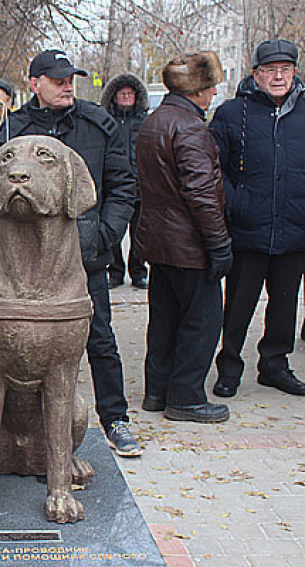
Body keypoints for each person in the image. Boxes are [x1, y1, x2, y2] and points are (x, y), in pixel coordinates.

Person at [14, 50, 141, 457]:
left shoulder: (97, 123)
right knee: (23, 342)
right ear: (35, 84)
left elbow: (123, 185)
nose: (68, 85)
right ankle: (23, 426)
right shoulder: (12, 129)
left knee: (100, 338)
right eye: (57, 79)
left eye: (71, 78)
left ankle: (115, 419)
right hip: (28, 260)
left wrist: (107, 234)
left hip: (86, 255)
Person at [135, 51, 231, 424]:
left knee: (164, 318)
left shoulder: (155, 121)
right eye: (211, 87)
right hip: (189, 245)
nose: (214, 93)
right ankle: (187, 398)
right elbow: (201, 193)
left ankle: (157, 392)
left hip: (159, 242)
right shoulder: (190, 127)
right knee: (202, 320)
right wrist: (219, 243)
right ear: (200, 90)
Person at [210, 39, 305, 398]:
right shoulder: (233, 113)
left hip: (295, 230)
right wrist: (238, 203)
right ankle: (229, 367)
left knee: (285, 305)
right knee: (237, 306)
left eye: (285, 69)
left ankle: (275, 366)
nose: (278, 77)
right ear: (256, 74)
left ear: (294, 72)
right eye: (270, 70)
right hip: (248, 231)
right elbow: (214, 167)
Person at [101, 73, 150, 289]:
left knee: (140, 233)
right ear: (114, 97)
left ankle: (138, 272)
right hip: (114, 185)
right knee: (113, 231)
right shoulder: (105, 121)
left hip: (141, 185)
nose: (126, 97)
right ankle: (115, 271)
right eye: (122, 94)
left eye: (130, 94)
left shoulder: (145, 121)